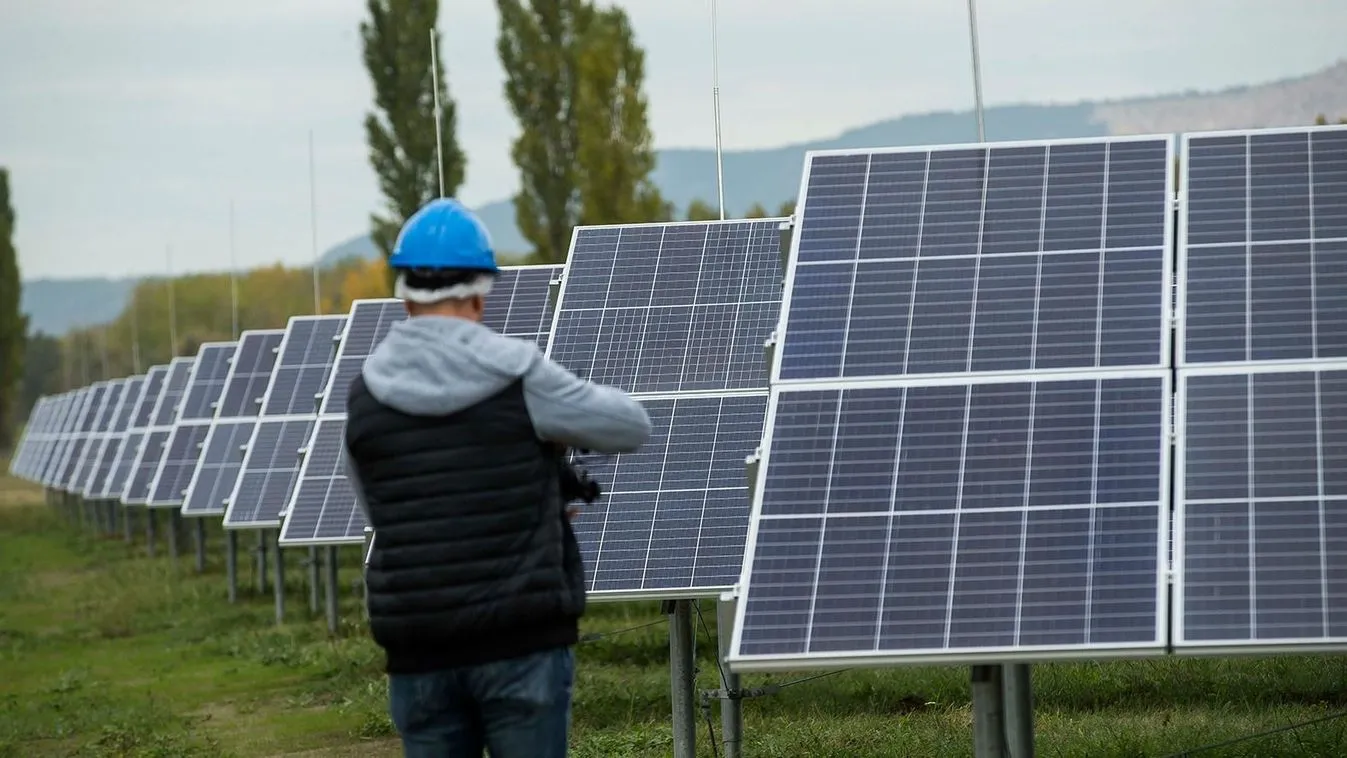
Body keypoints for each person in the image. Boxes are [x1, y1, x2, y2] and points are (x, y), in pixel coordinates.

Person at [343, 197, 653, 757]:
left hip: (419, 649)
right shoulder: (517, 373)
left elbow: (379, 512)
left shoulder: (365, 396)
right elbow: (630, 426)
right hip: (520, 643)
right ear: (480, 289)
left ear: (404, 289)